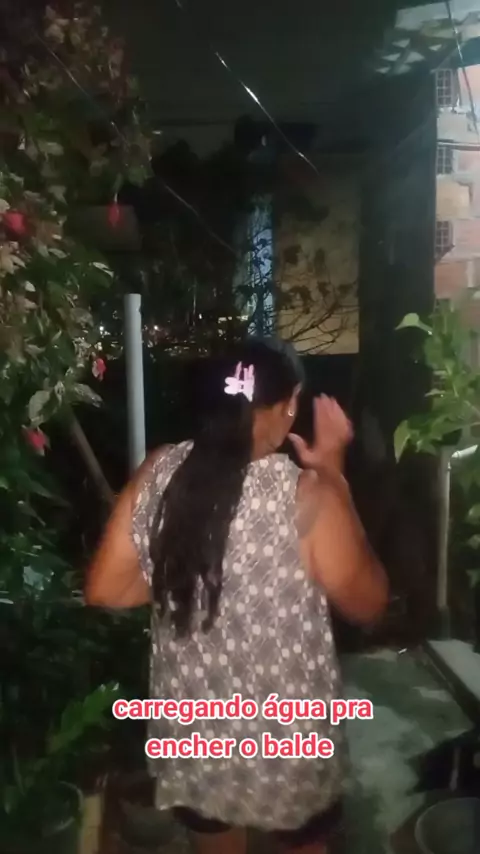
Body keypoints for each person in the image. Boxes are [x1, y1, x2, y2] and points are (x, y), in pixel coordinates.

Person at [85, 338, 388, 854]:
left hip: (198, 733)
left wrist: (197, 579)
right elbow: (369, 603)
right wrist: (333, 470)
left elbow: (107, 589)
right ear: (289, 404)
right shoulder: (307, 495)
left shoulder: (159, 470)